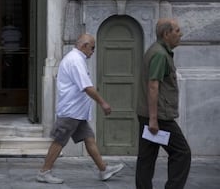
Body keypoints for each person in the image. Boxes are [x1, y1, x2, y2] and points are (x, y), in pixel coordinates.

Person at [36, 34, 124, 184]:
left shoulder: (76, 58)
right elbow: (87, 87)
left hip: (77, 112)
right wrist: (103, 103)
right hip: (71, 111)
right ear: (84, 46)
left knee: (89, 138)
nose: (93, 51)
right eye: (92, 48)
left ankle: (103, 170)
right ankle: (44, 171)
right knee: (59, 141)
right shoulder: (76, 60)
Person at [136, 18, 191, 189]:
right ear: (166, 34)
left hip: (148, 114)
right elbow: (153, 86)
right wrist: (154, 119)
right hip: (159, 116)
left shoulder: (156, 50)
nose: (180, 34)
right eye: (177, 31)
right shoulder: (160, 54)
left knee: (147, 157)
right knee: (182, 153)